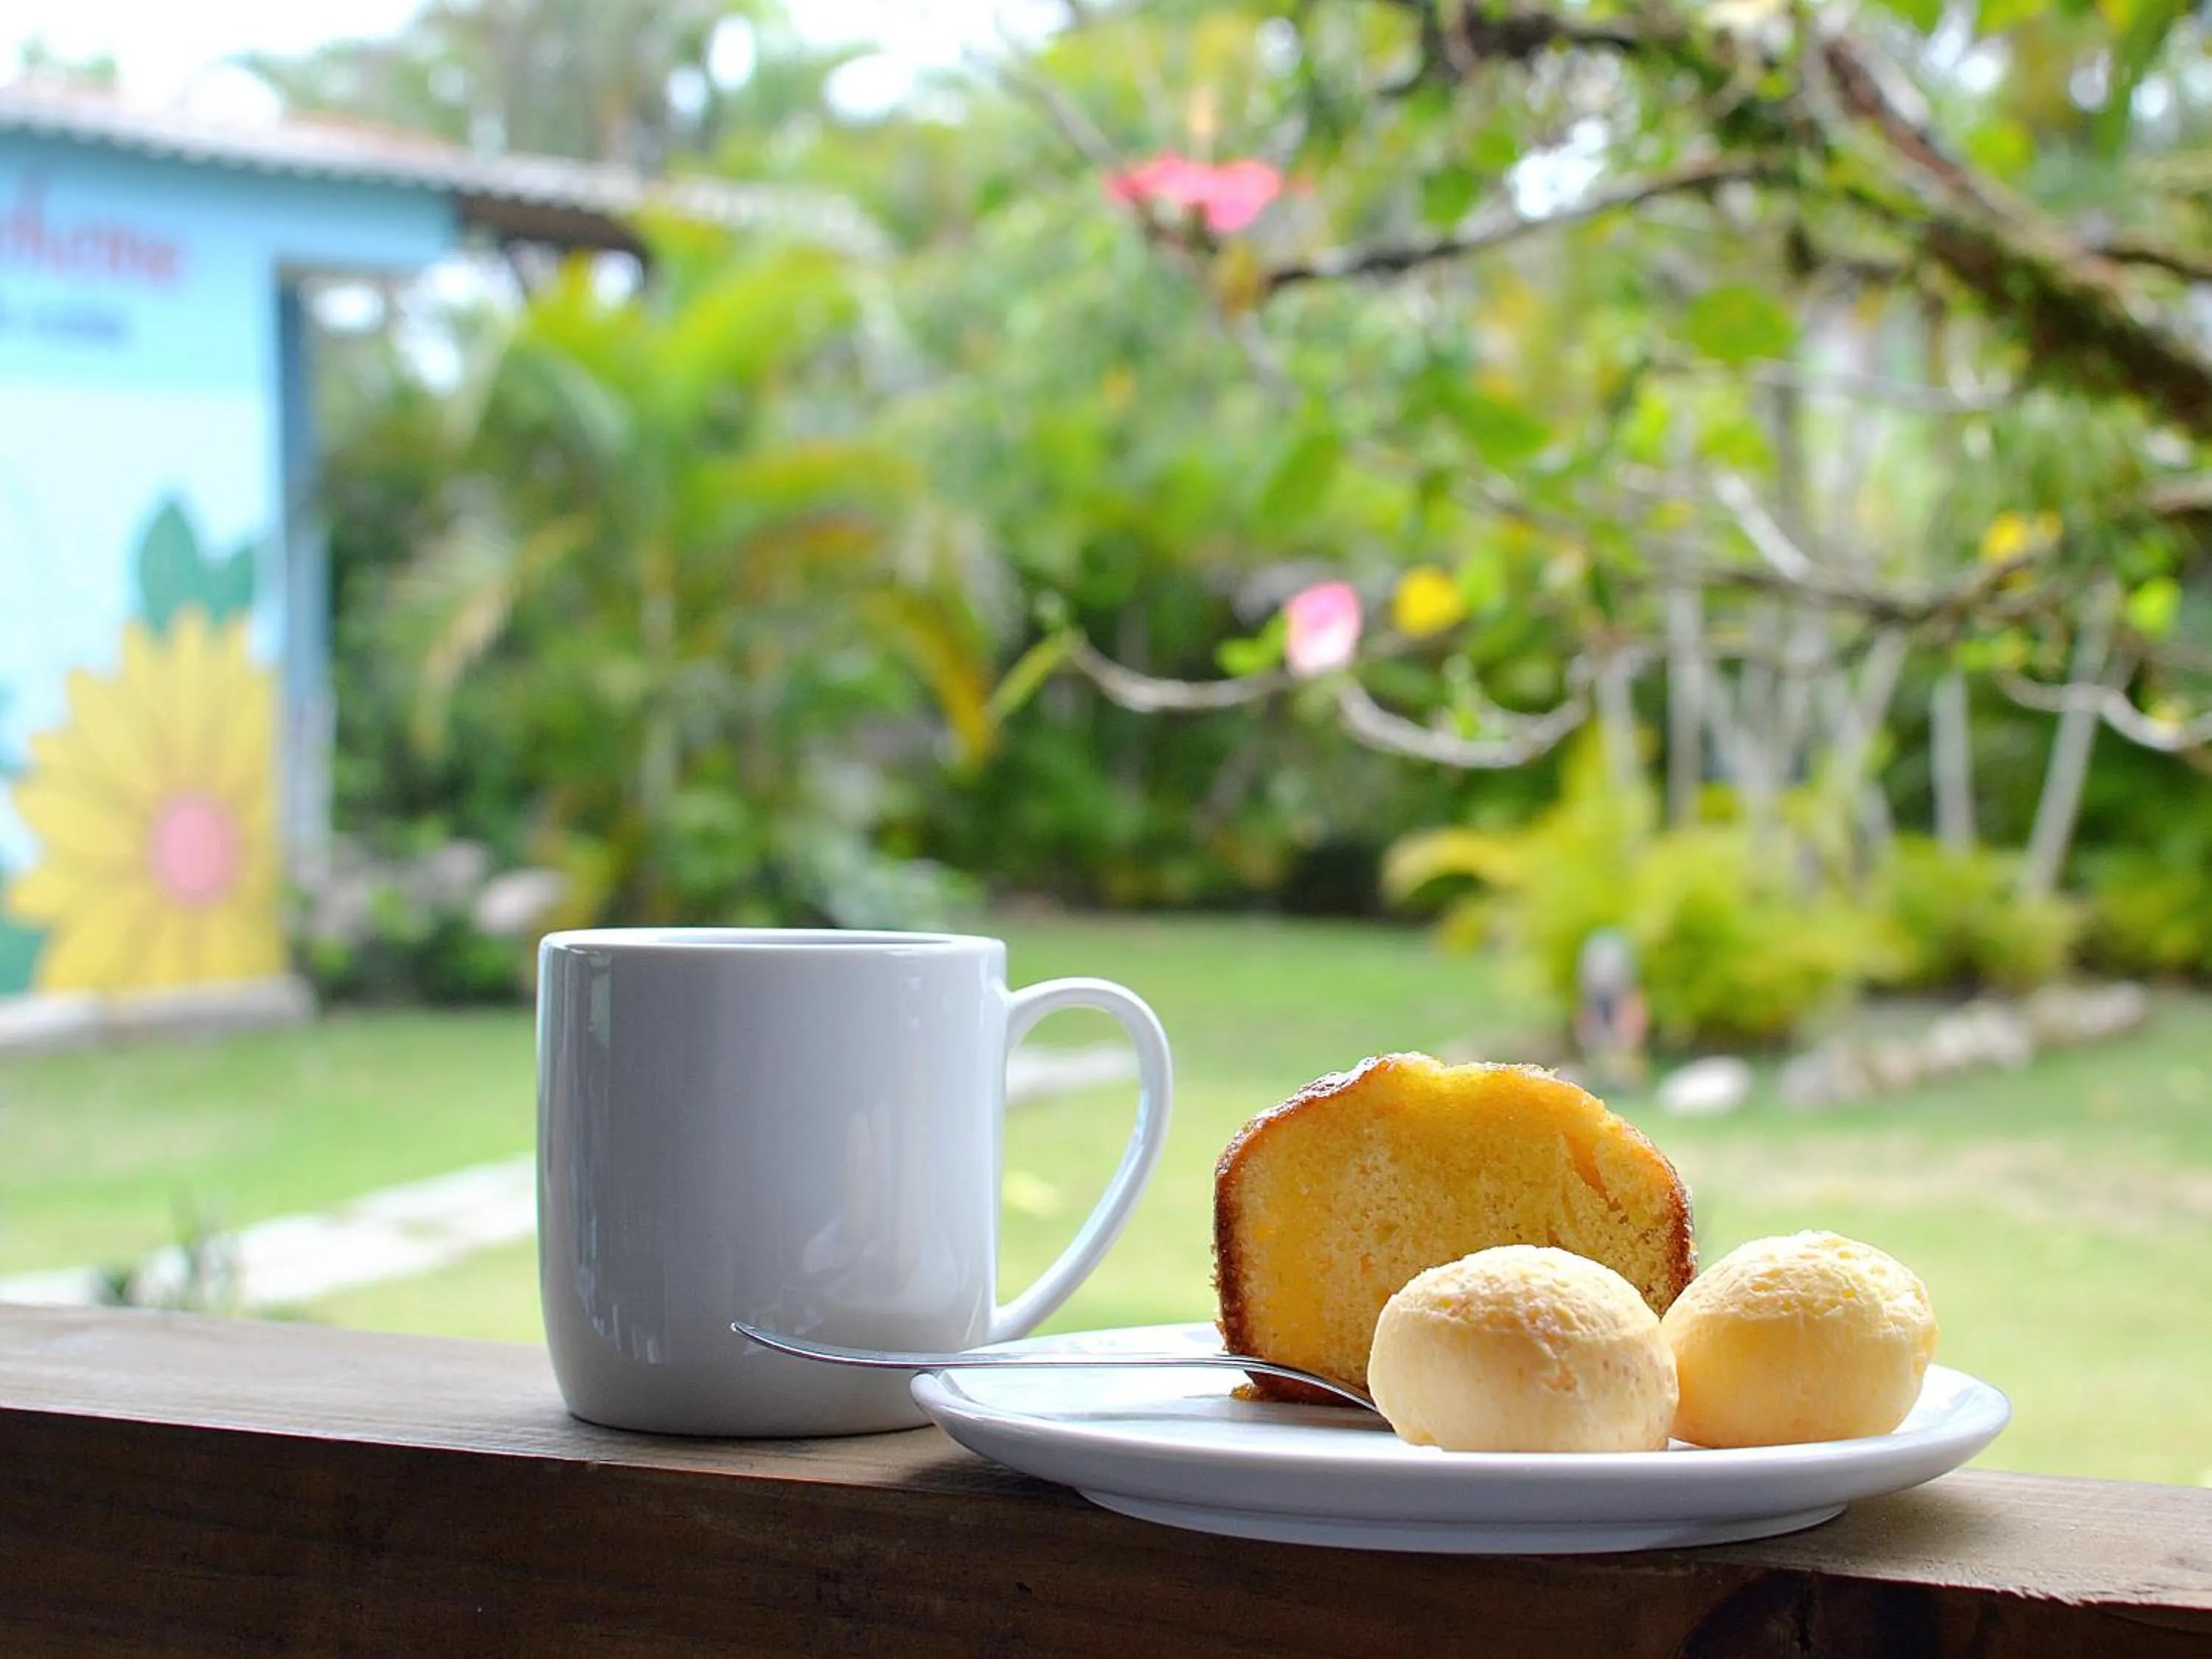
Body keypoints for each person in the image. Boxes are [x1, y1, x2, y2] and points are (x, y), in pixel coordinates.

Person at [1573, 927, 1649, 1092]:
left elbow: (1632, 1028)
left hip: (1621, 1053)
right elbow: (1585, 1029)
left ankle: (1624, 1084)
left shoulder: (1629, 997)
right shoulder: (1591, 1001)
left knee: (1622, 1050)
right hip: (1600, 1051)